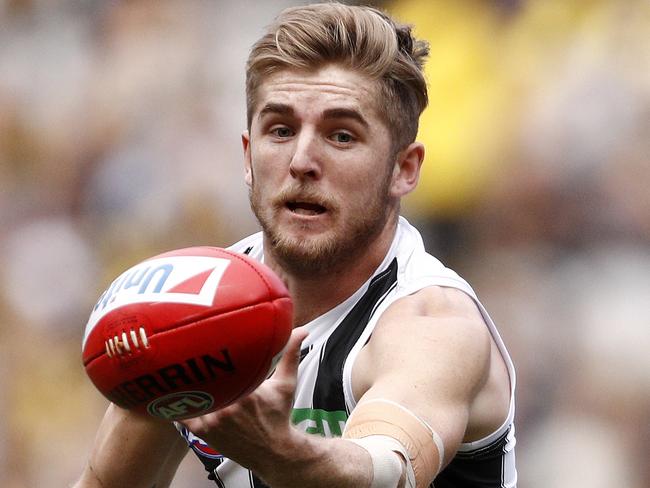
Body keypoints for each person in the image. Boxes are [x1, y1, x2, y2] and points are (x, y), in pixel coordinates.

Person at [74, 3, 516, 487]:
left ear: (403, 169)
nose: (302, 159)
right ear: (247, 156)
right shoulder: (189, 312)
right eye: (281, 130)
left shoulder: (433, 323)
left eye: (341, 135)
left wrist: (281, 452)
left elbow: (389, 473)